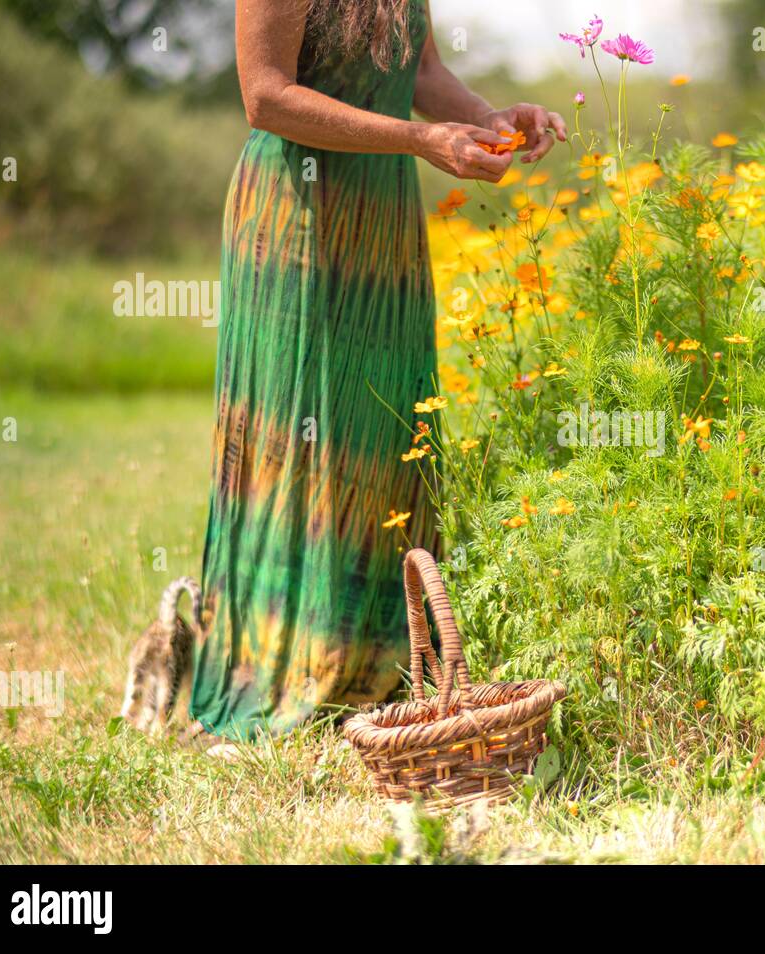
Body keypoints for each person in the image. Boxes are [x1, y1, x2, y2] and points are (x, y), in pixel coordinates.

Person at [188, 0, 566, 740]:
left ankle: (383, 667)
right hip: (299, 214)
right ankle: (283, 664)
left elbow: (423, 71)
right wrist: (422, 140)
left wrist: (490, 121)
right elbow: (264, 97)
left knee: (386, 430)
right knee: (304, 435)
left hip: (383, 214)